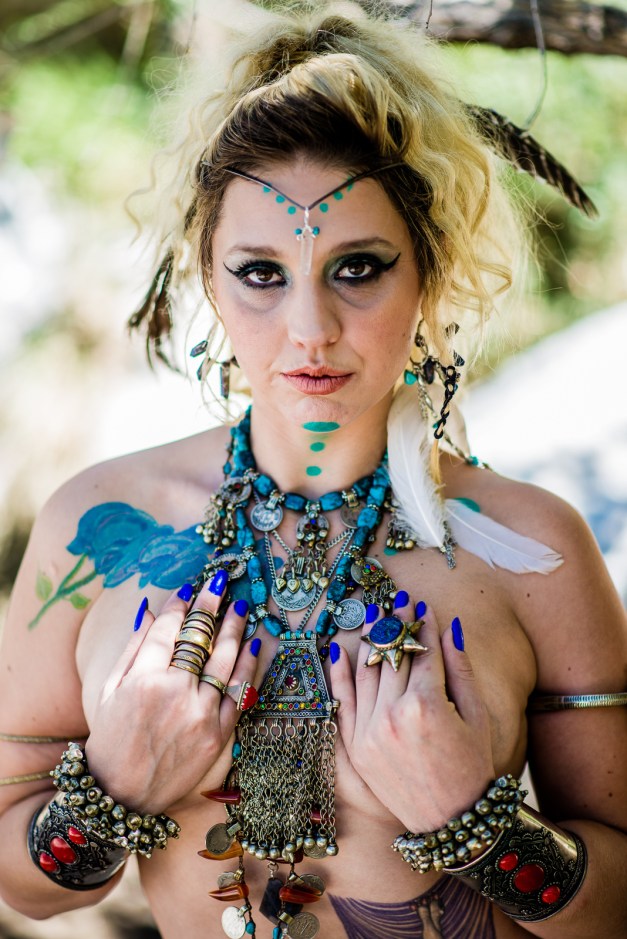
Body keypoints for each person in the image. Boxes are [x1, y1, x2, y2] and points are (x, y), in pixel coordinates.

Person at [1, 6, 626, 939]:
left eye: (358, 267)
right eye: (261, 272)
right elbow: (24, 886)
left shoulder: (534, 547)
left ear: (428, 272)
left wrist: (477, 822)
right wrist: (114, 786)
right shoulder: (91, 523)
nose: (309, 330)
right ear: (208, 277)